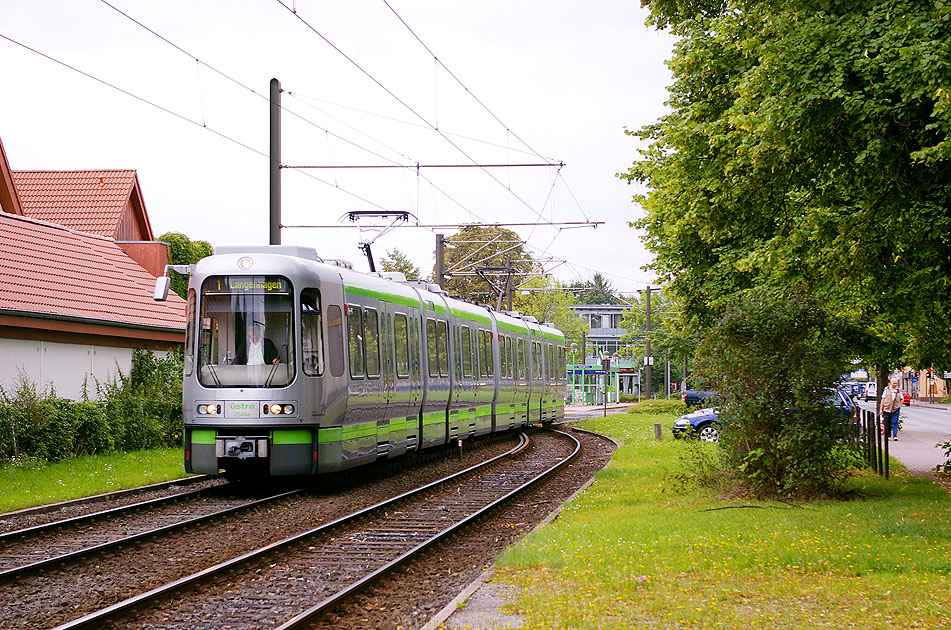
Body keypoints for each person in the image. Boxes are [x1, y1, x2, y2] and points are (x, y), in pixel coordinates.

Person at [881, 376, 902, 441]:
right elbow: (883, 399)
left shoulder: (898, 390)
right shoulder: (886, 390)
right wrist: (881, 409)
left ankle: (895, 436)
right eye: (894, 383)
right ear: (890, 383)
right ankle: (888, 435)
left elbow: (902, 398)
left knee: (895, 422)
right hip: (887, 409)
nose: (895, 385)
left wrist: (899, 405)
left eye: (896, 383)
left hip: (895, 409)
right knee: (887, 422)